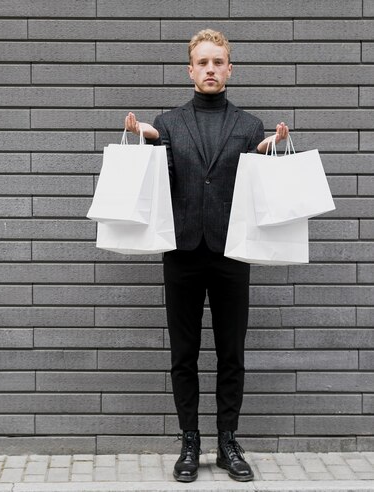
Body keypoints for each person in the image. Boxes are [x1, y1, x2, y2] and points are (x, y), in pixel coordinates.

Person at [124, 29, 289, 483]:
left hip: (231, 251)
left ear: (229, 69)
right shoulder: (169, 122)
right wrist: (150, 139)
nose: (211, 69)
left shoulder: (248, 125)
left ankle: (229, 440)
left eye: (218, 62)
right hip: (183, 252)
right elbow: (162, 172)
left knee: (231, 351)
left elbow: (253, 179)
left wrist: (266, 152)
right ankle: (190, 441)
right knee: (185, 353)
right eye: (203, 63)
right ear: (191, 70)